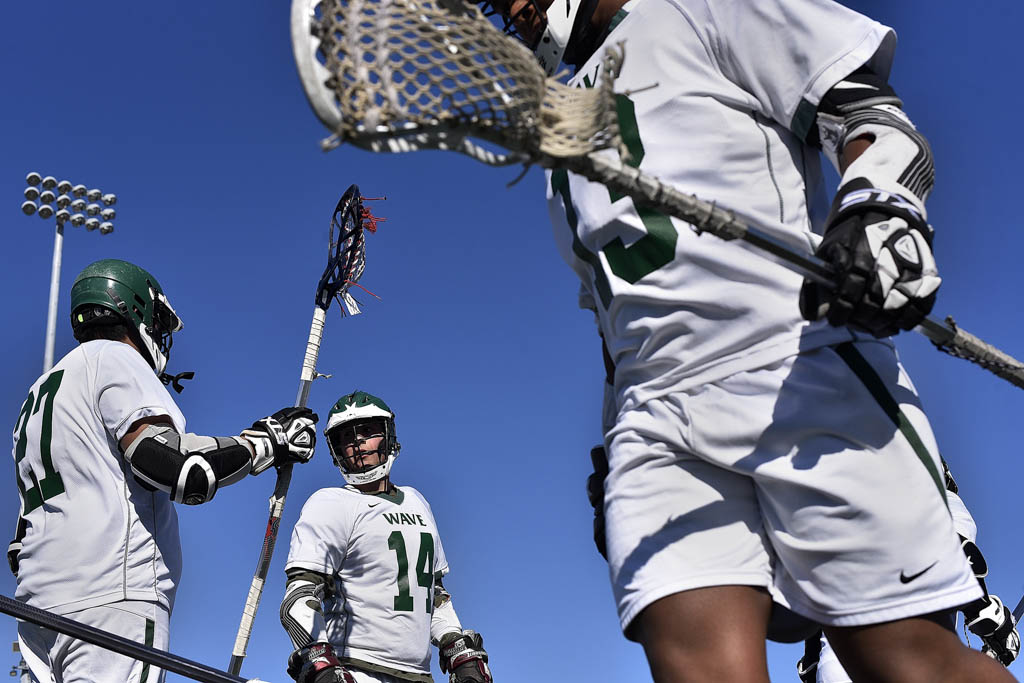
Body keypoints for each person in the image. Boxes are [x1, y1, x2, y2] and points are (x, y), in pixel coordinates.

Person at [477, 0, 1014, 680]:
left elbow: (868, 116)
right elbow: (610, 312)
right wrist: (614, 440)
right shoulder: (556, 124)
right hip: (655, 416)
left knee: (909, 665)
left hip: (797, 365)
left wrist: (880, 205)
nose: (511, 11)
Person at [9, 258, 318, 683]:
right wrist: (265, 443)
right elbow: (177, 467)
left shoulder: (39, 392)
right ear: (137, 310)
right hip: (111, 601)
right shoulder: (116, 357)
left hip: (38, 609)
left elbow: (18, 541)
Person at [279, 390, 492, 683]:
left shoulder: (418, 502)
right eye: (346, 437)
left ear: (388, 435)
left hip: (420, 675)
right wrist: (319, 661)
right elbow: (299, 598)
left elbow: (434, 596)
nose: (357, 442)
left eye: (367, 431)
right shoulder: (329, 503)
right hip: (357, 670)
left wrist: (456, 648)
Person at [796, 460, 1020, 682]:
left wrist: (812, 659)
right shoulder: (941, 500)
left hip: (837, 665)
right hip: (909, 658)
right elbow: (955, 555)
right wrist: (991, 620)